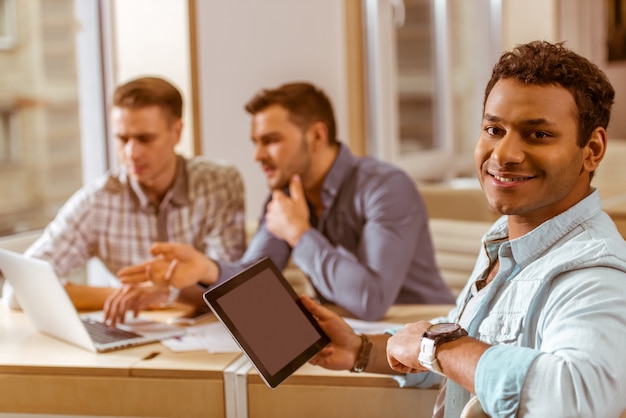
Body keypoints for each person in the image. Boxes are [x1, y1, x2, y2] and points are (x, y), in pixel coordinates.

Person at [300, 40, 626, 417]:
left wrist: (436, 346)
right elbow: (473, 356)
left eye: (538, 134)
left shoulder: (596, 272)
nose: (503, 155)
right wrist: (362, 350)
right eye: (494, 129)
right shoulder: (506, 242)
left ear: (593, 149)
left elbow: (574, 399)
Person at [114, 81, 455, 322]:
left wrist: (300, 234)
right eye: (256, 142)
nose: (257, 155)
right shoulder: (283, 195)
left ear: (317, 136)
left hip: (425, 346)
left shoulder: (385, 187)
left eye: (271, 140)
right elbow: (253, 281)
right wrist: (207, 269)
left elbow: (372, 300)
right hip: (354, 341)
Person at [2, 76, 246, 318]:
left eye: (145, 139)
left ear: (176, 132)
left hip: (212, 334)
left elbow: (232, 286)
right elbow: (18, 290)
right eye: (122, 138)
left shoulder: (219, 184)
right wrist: (125, 295)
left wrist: (166, 293)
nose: (131, 153)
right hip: (138, 336)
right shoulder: (97, 201)